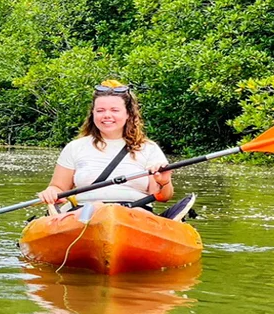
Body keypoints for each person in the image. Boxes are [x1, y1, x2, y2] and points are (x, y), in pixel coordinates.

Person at [37, 79, 194, 219]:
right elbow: (58, 187)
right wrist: (51, 191)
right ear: (92, 114)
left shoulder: (149, 148)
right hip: (84, 213)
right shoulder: (75, 147)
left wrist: (164, 182)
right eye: (100, 111)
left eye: (114, 110)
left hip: (136, 213)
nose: (106, 115)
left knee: (125, 214)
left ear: (128, 114)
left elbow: (163, 196)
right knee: (96, 208)